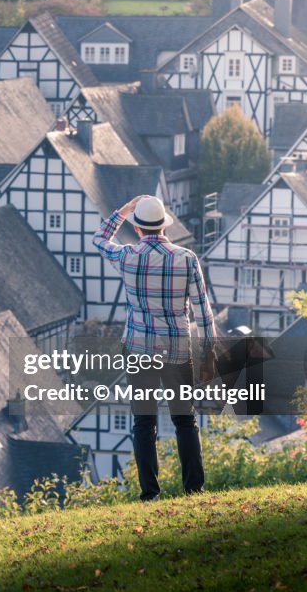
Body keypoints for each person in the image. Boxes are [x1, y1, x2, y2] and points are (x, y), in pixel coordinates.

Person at [92, 195, 216, 501]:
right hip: (177, 349)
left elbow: (99, 238)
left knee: (143, 421)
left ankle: (150, 494)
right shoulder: (187, 259)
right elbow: (203, 312)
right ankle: (194, 490)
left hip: (138, 348)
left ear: (137, 229)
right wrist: (208, 355)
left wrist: (123, 210)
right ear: (163, 227)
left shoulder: (127, 257)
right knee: (184, 420)